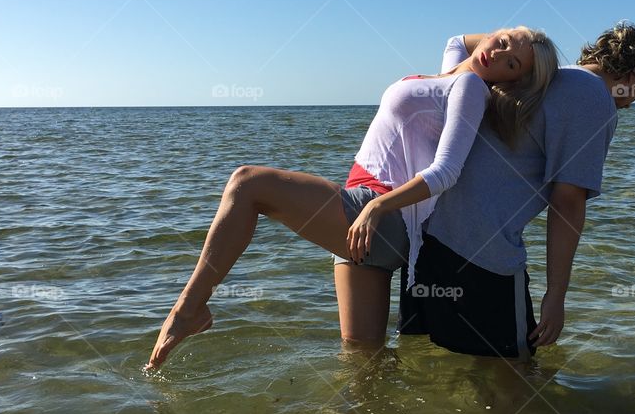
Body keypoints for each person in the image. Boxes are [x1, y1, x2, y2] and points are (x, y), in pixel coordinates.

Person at [146, 26, 560, 369]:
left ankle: (190, 308)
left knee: (247, 184)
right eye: (502, 41)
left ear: (511, 81)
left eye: (512, 63)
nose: (499, 53)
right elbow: (457, 39)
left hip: (377, 211)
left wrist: (378, 206)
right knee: (362, 362)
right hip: (368, 227)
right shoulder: (454, 71)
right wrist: (517, 41)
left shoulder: (469, 88)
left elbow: (446, 173)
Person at [398, 22, 635, 359]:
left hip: (424, 239)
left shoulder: (538, 72)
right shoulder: (595, 99)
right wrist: (556, 296)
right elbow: (567, 202)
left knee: (424, 364)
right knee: (517, 379)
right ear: (632, 77)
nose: (633, 102)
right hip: (483, 252)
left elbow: (460, 42)